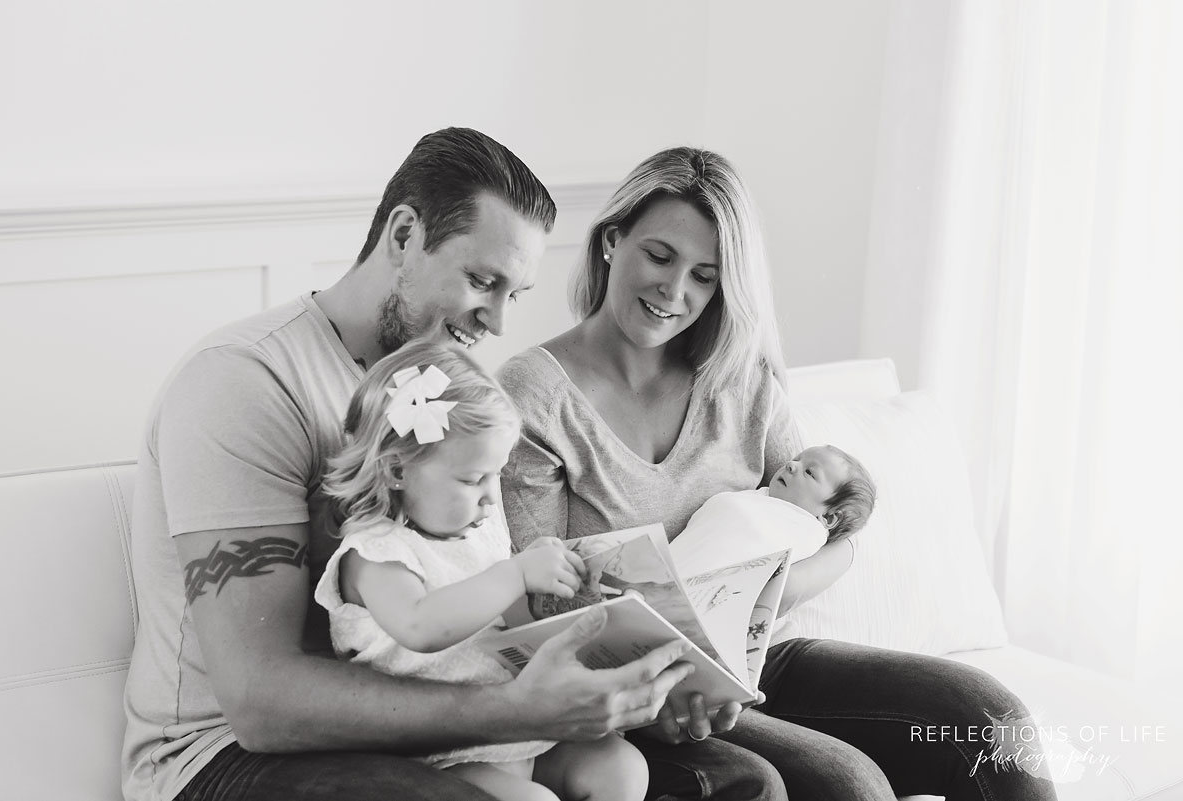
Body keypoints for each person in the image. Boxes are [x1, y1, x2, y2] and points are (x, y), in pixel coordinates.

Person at [121, 128, 703, 801]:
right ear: (403, 235)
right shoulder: (245, 382)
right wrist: (521, 708)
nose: (497, 321)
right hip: (220, 756)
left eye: (513, 292)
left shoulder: (450, 396)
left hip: (413, 721)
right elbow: (259, 700)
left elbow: (477, 588)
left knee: (731, 779)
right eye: (483, 281)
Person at [498, 146, 1060, 800]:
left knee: (993, 723)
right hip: (637, 686)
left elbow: (840, 538)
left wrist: (761, 597)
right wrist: (678, 664)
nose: (674, 291)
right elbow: (536, 604)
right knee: (849, 785)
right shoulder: (532, 395)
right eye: (658, 256)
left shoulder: (738, 380)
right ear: (611, 240)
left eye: (705, 275)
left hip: (767, 660)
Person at [315, 339, 648, 801]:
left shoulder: (480, 526)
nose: (493, 496)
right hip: (441, 754)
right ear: (397, 471)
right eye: (473, 480)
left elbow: (504, 613)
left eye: (498, 473)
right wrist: (514, 575)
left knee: (623, 768)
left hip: (521, 729)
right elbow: (419, 626)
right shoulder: (375, 553)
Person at [670, 445, 877, 579]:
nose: (791, 464)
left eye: (809, 472)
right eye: (797, 458)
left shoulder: (806, 531)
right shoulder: (762, 498)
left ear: (829, 517)